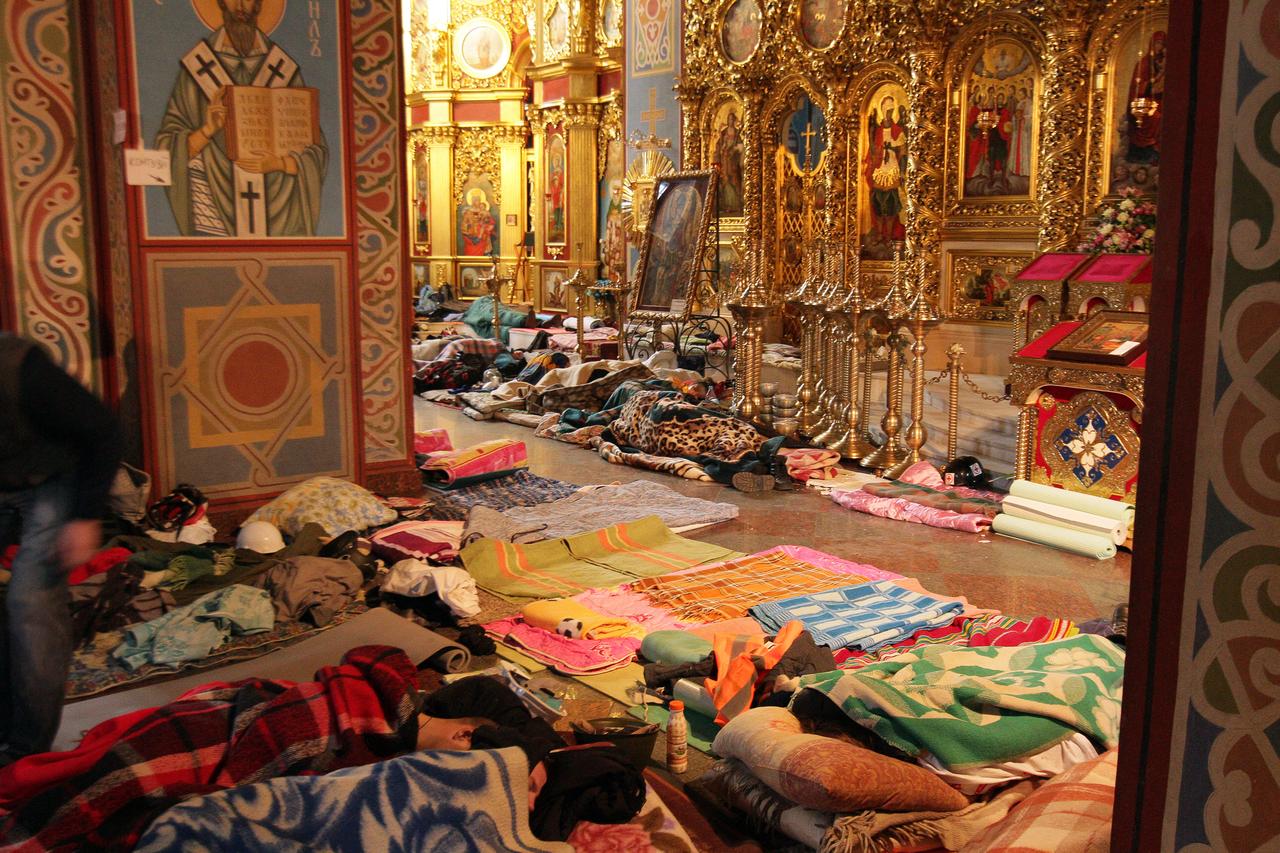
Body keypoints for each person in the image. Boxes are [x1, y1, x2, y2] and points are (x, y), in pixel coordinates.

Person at [0, 334, 122, 767]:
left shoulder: (23, 371)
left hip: (54, 480)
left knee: (30, 603)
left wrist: (85, 516)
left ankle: (25, 750)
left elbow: (105, 432)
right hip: (5, 481)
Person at [155, 0, 329, 237]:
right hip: (213, 216)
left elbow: (316, 152)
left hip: (280, 219)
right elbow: (166, 150)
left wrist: (279, 164)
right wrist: (207, 130)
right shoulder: (197, 68)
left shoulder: (283, 69)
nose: (239, 5)